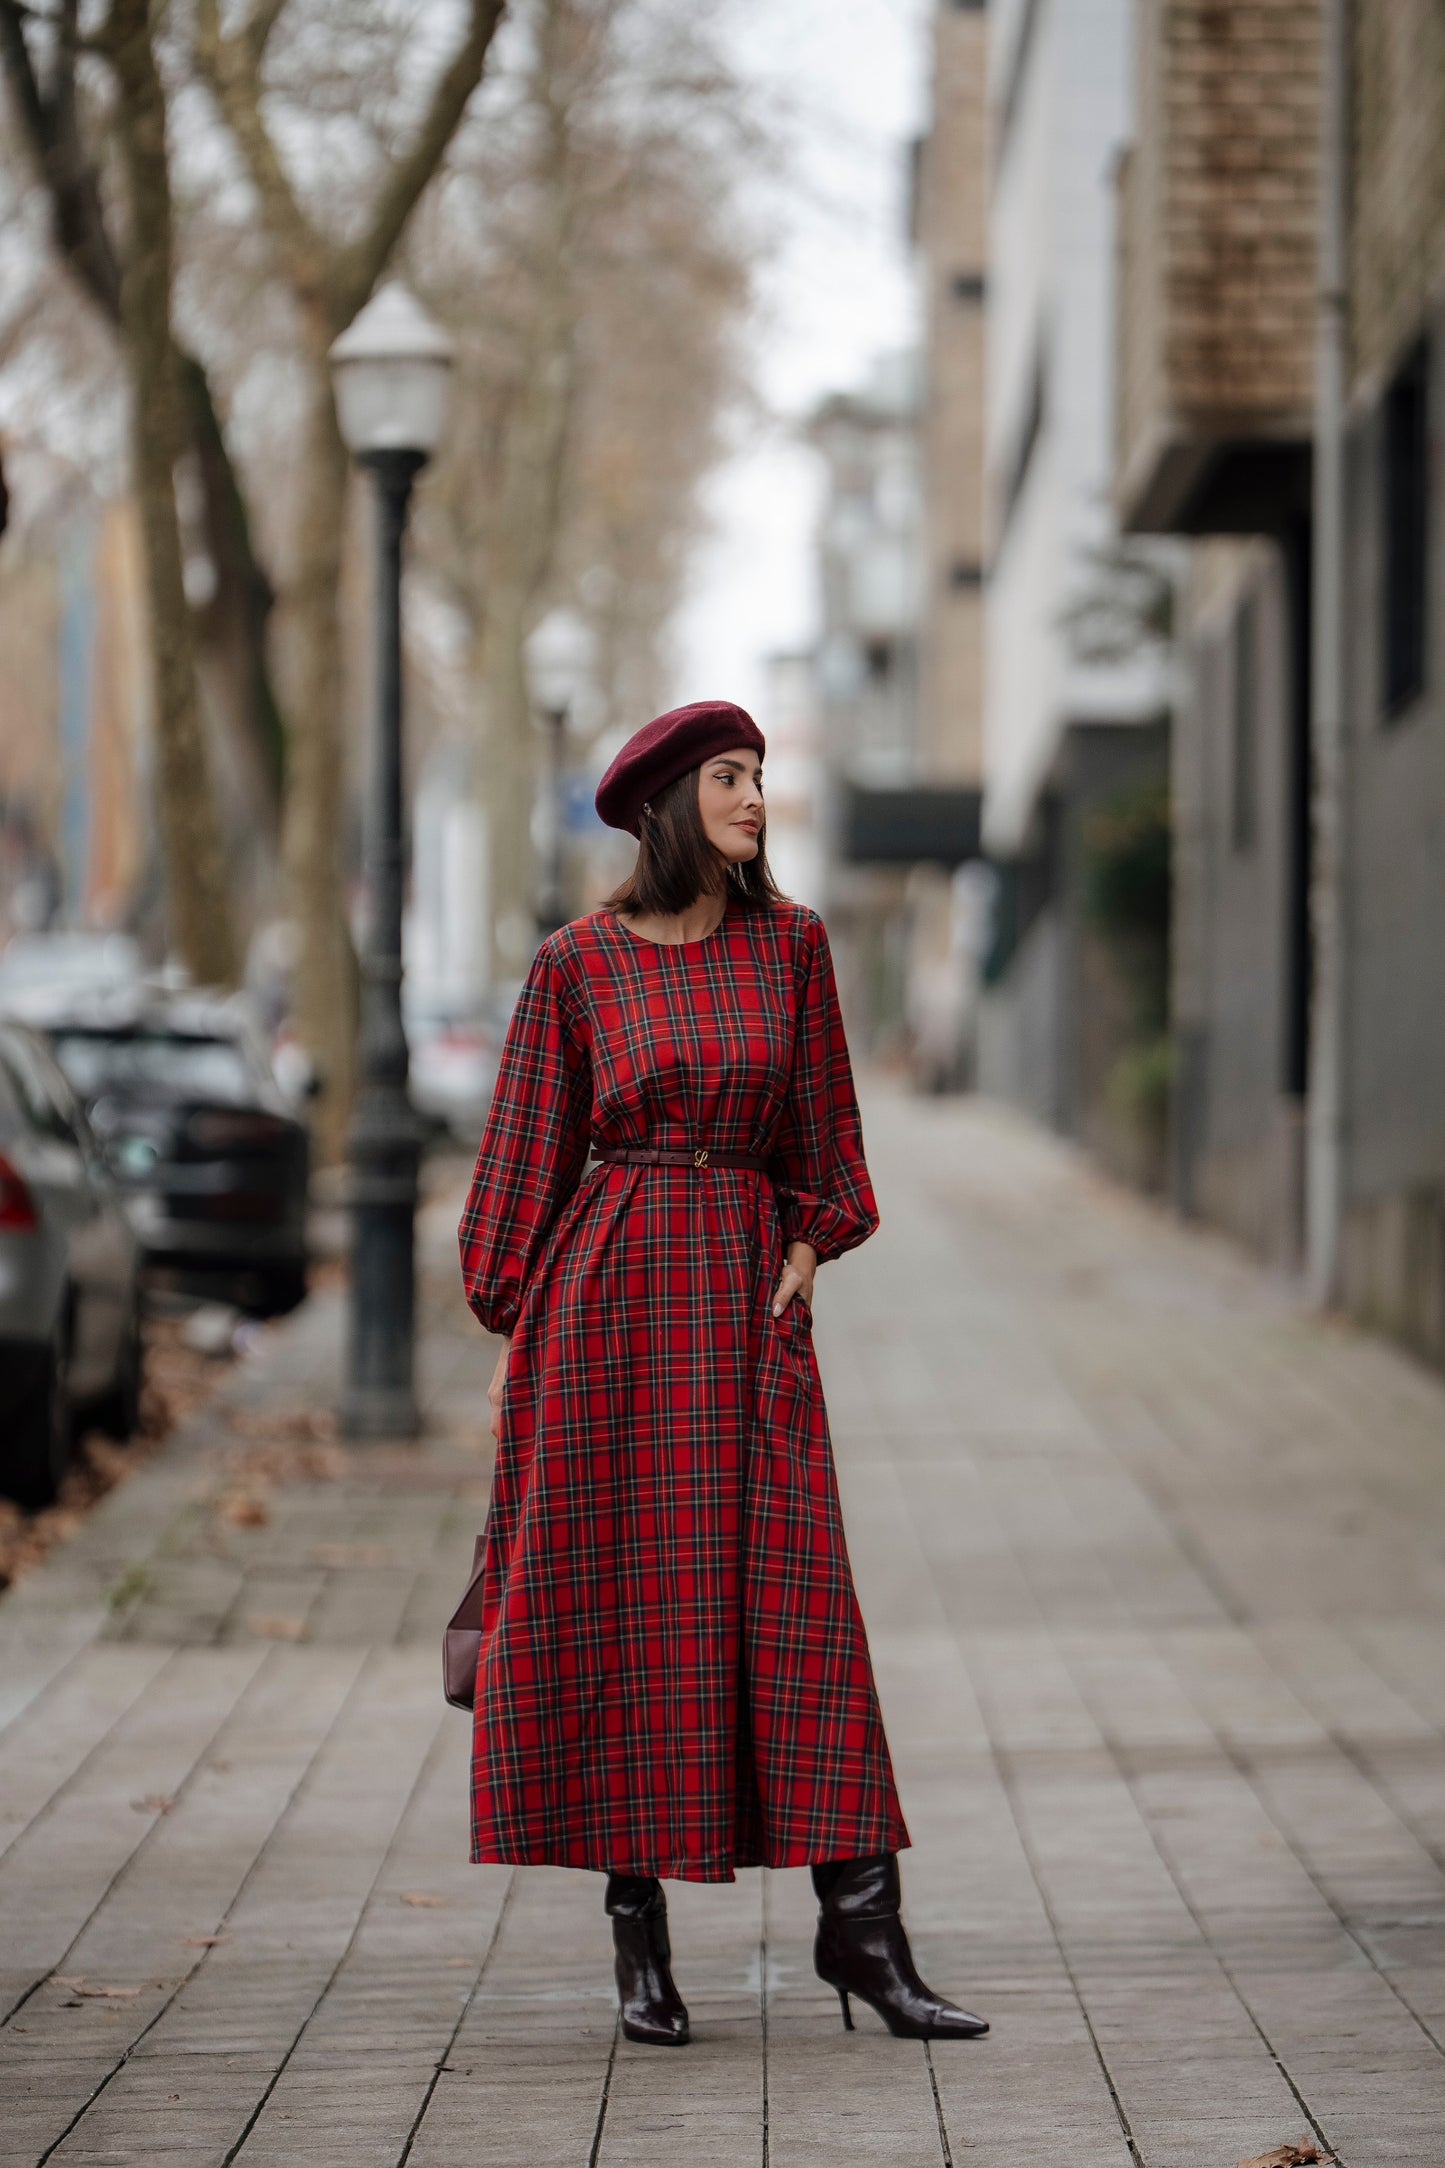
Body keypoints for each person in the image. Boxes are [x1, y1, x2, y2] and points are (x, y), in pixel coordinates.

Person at [457, 699, 987, 2047]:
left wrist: (807, 1247)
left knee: (800, 1609)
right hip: (608, 1325)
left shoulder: (791, 949)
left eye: (760, 776)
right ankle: (640, 1948)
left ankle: (861, 1933)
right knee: (628, 1615)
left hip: (747, 1320)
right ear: (668, 806)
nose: (756, 798)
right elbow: (515, 1178)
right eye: (732, 778)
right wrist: (536, 1324)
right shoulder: (576, 965)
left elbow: (834, 1153)